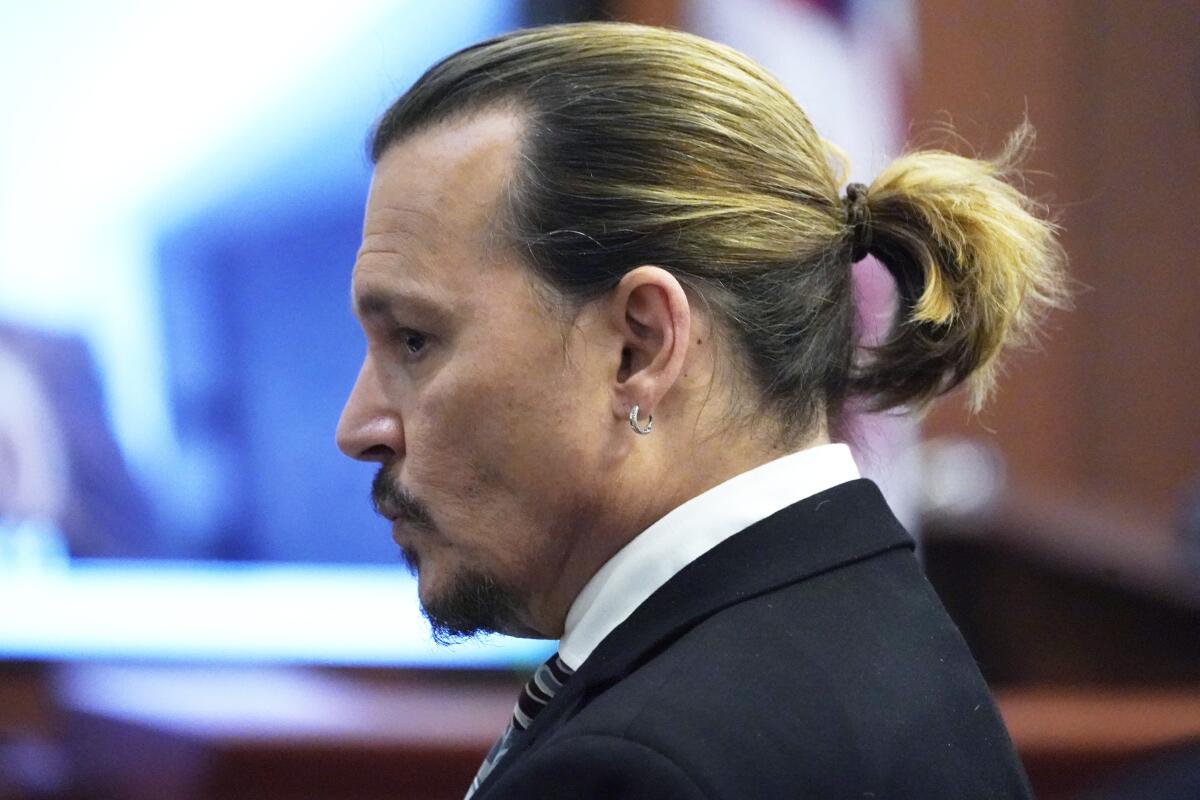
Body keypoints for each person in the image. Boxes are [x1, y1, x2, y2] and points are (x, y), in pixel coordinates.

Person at [335, 21, 1066, 800]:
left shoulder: (640, 771)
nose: (359, 428)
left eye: (414, 340)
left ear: (639, 347)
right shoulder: (873, 630)